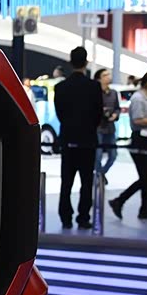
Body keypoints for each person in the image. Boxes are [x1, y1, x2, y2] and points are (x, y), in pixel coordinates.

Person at [54, 47, 103, 230]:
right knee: (86, 182)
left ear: (70, 62)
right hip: (87, 140)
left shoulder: (61, 87)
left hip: (68, 139)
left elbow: (60, 113)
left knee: (66, 182)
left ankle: (65, 217)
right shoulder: (94, 87)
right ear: (86, 63)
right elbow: (98, 114)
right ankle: (83, 217)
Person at [108, 71, 147, 220]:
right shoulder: (138, 99)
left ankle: (144, 208)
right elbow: (137, 119)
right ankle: (120, 200)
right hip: (140, 142)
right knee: (146, 178)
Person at [94, 68, 120, 184]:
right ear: (99, 79)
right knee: (98, 155)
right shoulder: (94, 93)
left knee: (113, 155)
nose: (108, 77)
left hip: (110, 127)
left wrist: (115, 115)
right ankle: (99, 177)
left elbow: (117, 108)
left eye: (108, 74)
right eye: (105, 75)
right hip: (98, 127)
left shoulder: (113, 93)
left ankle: (101, 174)